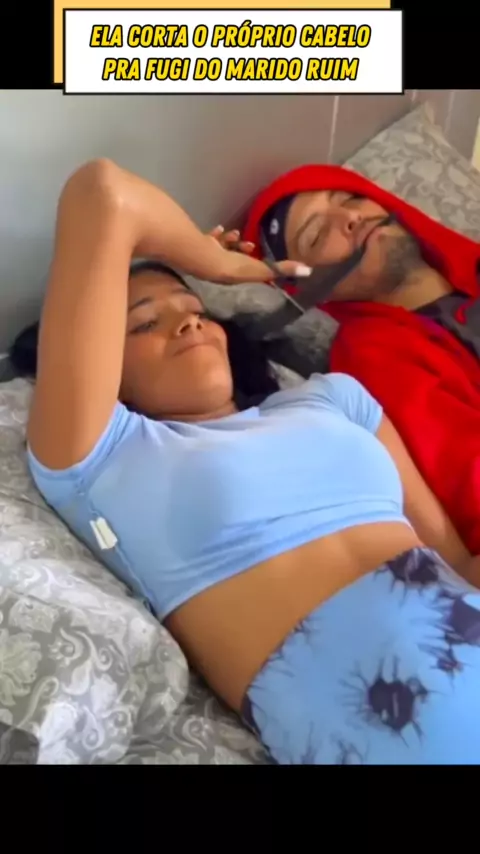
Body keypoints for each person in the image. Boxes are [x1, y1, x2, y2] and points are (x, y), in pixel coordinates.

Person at [26, 159, 480, 765]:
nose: (189, 320)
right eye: (145, 324)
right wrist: (218, 266)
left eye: (196, 306)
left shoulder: (334, 399)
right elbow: (102, 193)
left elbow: (456, 562)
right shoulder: (102, 459)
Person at [242, 163, 480, 556]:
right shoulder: (375, 357)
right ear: (308, 288)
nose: (350, 217)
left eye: (351, 197)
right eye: (318, 234)